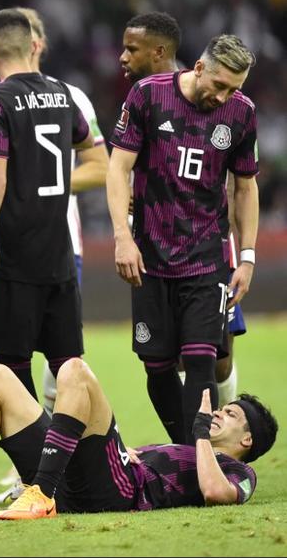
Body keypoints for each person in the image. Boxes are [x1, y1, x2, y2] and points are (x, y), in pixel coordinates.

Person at [107, 34, 259, 445]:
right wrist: (123, 236)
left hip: (207, 257)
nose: (224, 95)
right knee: (156, 366)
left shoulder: (242, 114)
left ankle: (198, 457)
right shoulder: (147, 96)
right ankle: (186, 450)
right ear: (198, 68)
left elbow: (245, 187)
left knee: (201, 360)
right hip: (150, 256)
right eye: (220, 84)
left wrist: (246, 257)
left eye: (234, 89)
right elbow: (118, 168)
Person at [0, 359, 276, 521]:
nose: (217, 414)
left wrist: (199, 436)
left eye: (231, 414)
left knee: (75, 371)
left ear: (247, 439)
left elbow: (215, 493)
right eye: (222, 409)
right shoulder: (192, 450)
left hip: (117, 492)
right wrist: (133, 451)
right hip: (88, 478)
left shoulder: (239, 472)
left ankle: (41, 494)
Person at [0, 9, 95, 399]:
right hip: (59, 254)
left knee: (10, 372)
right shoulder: (64, 94)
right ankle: (85, 455)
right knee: (68, 369)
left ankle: (33, 459)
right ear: (33, 46)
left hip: (13, 257)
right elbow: (84, 141)